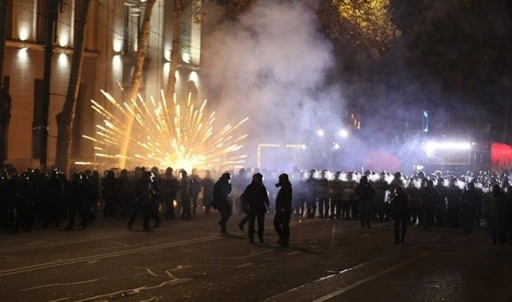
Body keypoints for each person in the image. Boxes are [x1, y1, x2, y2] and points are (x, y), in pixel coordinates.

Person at [240, 173, 270, 243]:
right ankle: (252, 238)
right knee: (252, 224)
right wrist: (246, 204)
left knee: (260, 224)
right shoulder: (250, 187)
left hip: (260, 207)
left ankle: (260, 237)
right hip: (253, 207)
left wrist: (268, 205)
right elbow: (244, 196)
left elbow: (265, 197)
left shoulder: (262, 187)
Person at [274, 173, 293, 246]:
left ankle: (285, 240)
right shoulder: (284, 186)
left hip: (284, 209)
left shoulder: (288, 188)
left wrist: (284, 208)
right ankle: (282, 237)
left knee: (284, 225)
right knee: (276, 223)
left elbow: (287, 199)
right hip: (279, 209)